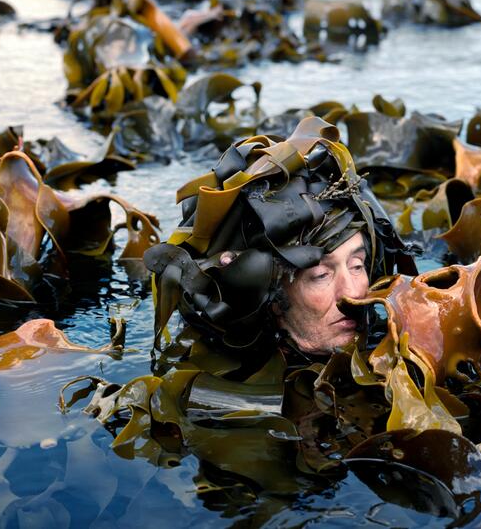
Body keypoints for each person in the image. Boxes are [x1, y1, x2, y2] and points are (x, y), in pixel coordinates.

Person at [144, 116, 417, 367]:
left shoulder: (401, 355)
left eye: (357, 265)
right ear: (268, 299)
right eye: (321, 274)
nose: (353, 294)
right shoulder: (218, 405)